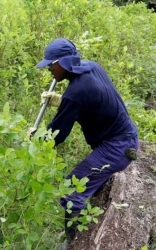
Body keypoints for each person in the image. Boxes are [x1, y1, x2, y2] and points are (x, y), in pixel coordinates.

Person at [32, 38, 139, 247]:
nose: (49, 70)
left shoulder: (76, 93)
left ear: (62, 63)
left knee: (71, 190)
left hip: (117, 147)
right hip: (126, 137)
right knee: (86, 186)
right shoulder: (91, 67)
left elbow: (57, 136)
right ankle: (87, 226)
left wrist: (35, 137)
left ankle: (74, 243)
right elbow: (89, 100)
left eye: (51, 65)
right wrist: (61, 101)